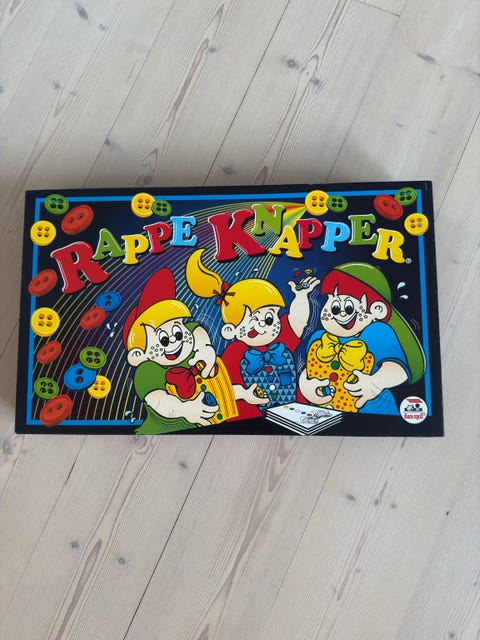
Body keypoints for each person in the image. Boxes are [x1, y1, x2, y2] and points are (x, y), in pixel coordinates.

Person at [186, 249, 319, 420]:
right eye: (253, 321)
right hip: (251, 417)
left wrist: (301, 297)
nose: (262, 325)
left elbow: (298, 321)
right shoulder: (235, 352)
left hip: (292, 414)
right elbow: (225, 387)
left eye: (269, 318)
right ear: (230, 331)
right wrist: (244, 394)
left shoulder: (281, 340)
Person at [299, 262, 426, 414]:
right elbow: (308, 370)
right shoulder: (319, 339)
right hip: (327, 413)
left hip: (375, 411)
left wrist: (375, 382)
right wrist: (305, 386)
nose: (340, 314)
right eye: (334, 307)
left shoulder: (378, 334)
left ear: (377, 310)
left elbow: (399, 368)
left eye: (348, 307)